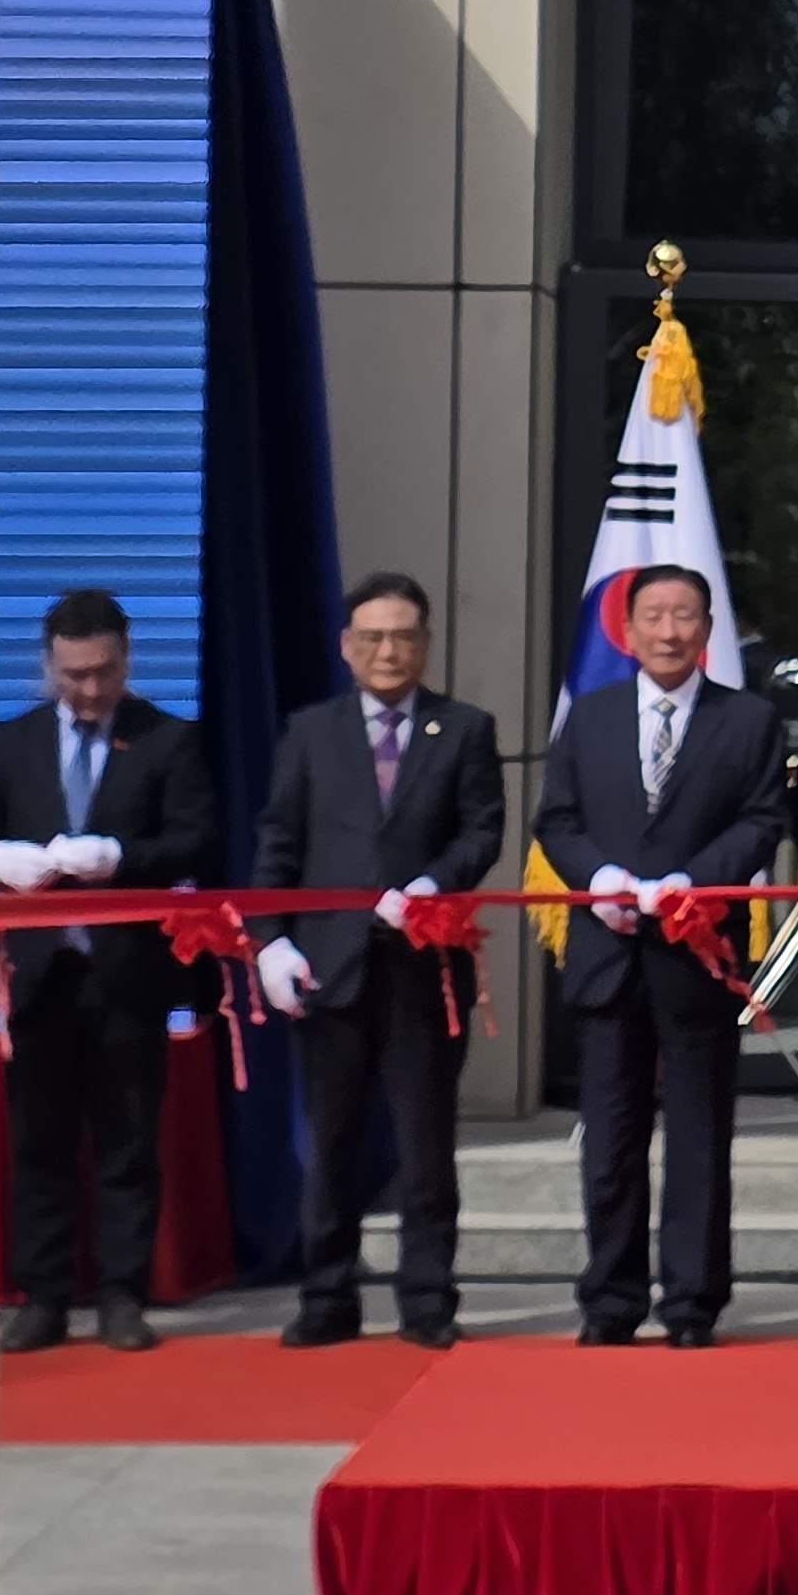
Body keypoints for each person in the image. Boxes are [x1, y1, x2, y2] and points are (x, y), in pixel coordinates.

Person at [0, 587, 218, 1355]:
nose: (90, 689)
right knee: (39, 1140)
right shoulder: (13, 742)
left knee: (128, 1139)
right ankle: (42, 1296)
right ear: (49, 667)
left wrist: (123, 861)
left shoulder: (169, 740)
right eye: (74, 675)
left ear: (126, 661)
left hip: (127, 974)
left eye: (103, 672)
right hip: (37, 975)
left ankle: (123, 1294)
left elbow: (196, 840)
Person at [535, 560, 789, 1349]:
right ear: (629, 629)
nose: (670, 631)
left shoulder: (748, 721)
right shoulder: (592, 715)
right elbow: (558, 820)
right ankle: (609, 1300)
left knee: (699, 1139)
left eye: (686, 616)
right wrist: (599, 877)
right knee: (609, 1140)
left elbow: (761, 822)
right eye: (655, 616)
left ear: (708, 632)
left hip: (697, 954)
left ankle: (691, 1302)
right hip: (608, 958)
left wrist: (695, 881)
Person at [252, 573, 505, 1351]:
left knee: (427, 1145)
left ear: (426, 643)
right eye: (372, 637)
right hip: (330, 966)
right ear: (347, 646)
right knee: (332, 1142)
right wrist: (272, 941)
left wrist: (434, 885)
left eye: (403, 636)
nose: (388, 651)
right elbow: (278, 844)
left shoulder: (462, 729)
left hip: (423, 967)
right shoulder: (310, 731)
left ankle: (427, 1300)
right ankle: (327, 1296)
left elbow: (481, 831)